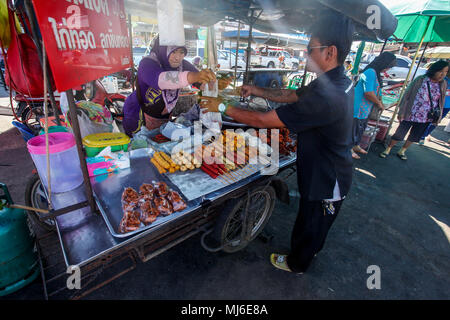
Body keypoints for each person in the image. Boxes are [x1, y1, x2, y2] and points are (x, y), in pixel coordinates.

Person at [200, 13, 355, 274]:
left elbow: (262, 120)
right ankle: (308, 251)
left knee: (313, 222)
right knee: (312, 219)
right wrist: (256, 90)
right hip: (322, 165)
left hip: (328, 176)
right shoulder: (332, 82)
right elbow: (292, 94)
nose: (305, 55)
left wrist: (222, 105)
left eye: (310, 50)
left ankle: (298, 264)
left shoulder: (330, 96)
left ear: (330, 52)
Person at [122, 36, 216, 136]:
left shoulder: (183, 65)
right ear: (163, 49)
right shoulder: (147, 63)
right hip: (138, 115)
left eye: (181, 52)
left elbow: (201, 83)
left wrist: (212, 83)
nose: (178, 57)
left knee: (160, 146)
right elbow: (161, 80)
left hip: (164, 118)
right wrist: (193, 76)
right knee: (139, 146)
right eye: (173, 52)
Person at [380, 60, 449, 160]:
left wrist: (438, 115)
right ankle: (389, 148)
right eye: (441, 71)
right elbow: (407, 95)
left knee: (415, 135)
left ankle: (402, 150)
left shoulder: (443, 84)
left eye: (446, 72)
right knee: (400, 133)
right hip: (411, 113)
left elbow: (441, 100)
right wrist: (401, 111)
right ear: (434, 70)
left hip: (427, 116)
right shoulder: (421, 80)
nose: (442, 74)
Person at [351, 52, 396, 159]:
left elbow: (377, 90)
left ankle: (356, 146)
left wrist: (381, 100)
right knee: (353, 129)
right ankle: (348, 149)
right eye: (388, 67)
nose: (387, 69)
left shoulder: (376, 73)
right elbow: (369, 93)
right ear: (383, 63)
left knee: (360, 128)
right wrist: (379, 103)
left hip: (366, 108)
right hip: (358, 107)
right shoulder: (370, 72)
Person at [419, 67, 450, 144]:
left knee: (436, 121)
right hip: (436, 103)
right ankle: (421, 136)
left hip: (447, 105)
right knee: (428, 119)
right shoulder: (443, 79)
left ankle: (424, 135)